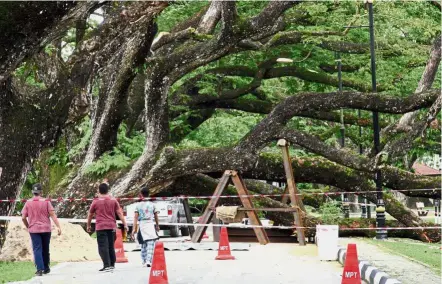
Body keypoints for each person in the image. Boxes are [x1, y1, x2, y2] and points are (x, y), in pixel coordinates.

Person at [21, 183, 62, 276]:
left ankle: (39, 269)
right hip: (46, 229)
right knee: (45, 248)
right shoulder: (46, 201)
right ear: (41, 192)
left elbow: (23, 217)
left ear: (32, 192)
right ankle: (46, 268)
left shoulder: (28, 202)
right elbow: (53, 215)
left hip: (34, 230)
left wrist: (28, 226)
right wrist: (58, 227)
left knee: (37, 249)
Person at [86, 183, 128, 272]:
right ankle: (112, 264)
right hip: (112, 226)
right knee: (110, 246)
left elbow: (90, 214)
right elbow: (119, 213)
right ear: (108, 190)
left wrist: (88, 225)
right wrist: (125, 224)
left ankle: (106, 265)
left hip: (101, 227)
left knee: (102, 246)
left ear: (99, 190)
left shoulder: (96, 201)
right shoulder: (113, 200)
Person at [131, 187, 160, 267]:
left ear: (141, 194)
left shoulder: (138, 206)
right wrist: (157, 225)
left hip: (142, 225)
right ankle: (148, 261)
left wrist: (134, 229)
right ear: (149, 194)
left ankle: (144, 260)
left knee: (143, 244)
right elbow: (156, 216)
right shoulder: (152, 205)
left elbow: (135, 218)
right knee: (151, 243)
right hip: (150, 224)